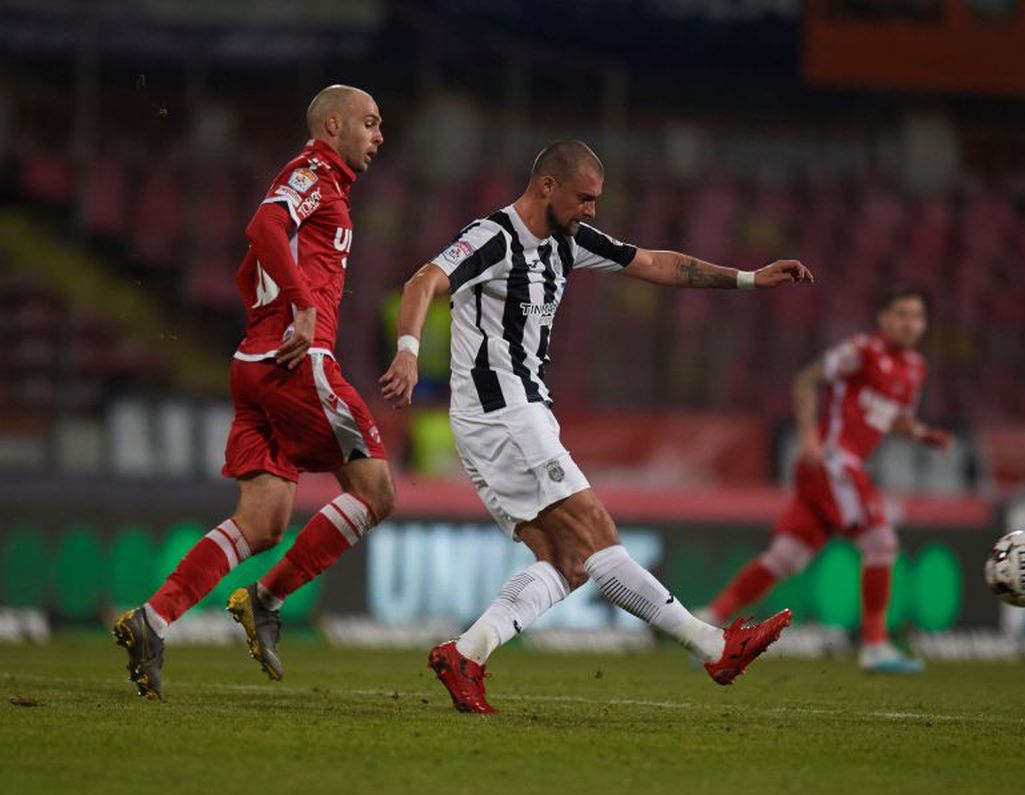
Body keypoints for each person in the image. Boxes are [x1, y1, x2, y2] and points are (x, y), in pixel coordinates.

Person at [379, 140, 813, 714]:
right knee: (597, 532)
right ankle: (713, 644)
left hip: (513, 416)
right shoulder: (494, 238)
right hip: (502, 412)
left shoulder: (570, 242)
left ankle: (467, 653)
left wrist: (749, 279)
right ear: (547, 187)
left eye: (597, 200)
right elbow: (422, 282)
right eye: (585, 198)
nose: (592, 210)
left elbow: (656, 263)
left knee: (569, 562)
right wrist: (408, 351)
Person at [113, 85, 394, 700]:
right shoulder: (314, 169)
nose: (378, 136)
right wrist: (300, 310)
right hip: (296, 361)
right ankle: (267, 599)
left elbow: (254, 263)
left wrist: (274, 314)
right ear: (333, 124)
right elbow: (263, 224)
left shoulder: (325, 184)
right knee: (376, 493)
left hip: (254, 363)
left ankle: (152, 619)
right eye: (370, 124)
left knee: (263, 523)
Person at [698, 288, 950, 674]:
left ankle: (706, 622)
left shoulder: (915, 367)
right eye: (900, 314)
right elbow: (806, 379)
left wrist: (920, 434)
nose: (908, 323)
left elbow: (893, 417)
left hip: (831, 471)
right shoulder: (862, 351)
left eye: (916, 316)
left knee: (785, 557)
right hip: (834, 462)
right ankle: (875, 645)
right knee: (881, 543)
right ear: (883, 319)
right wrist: (809, 438)